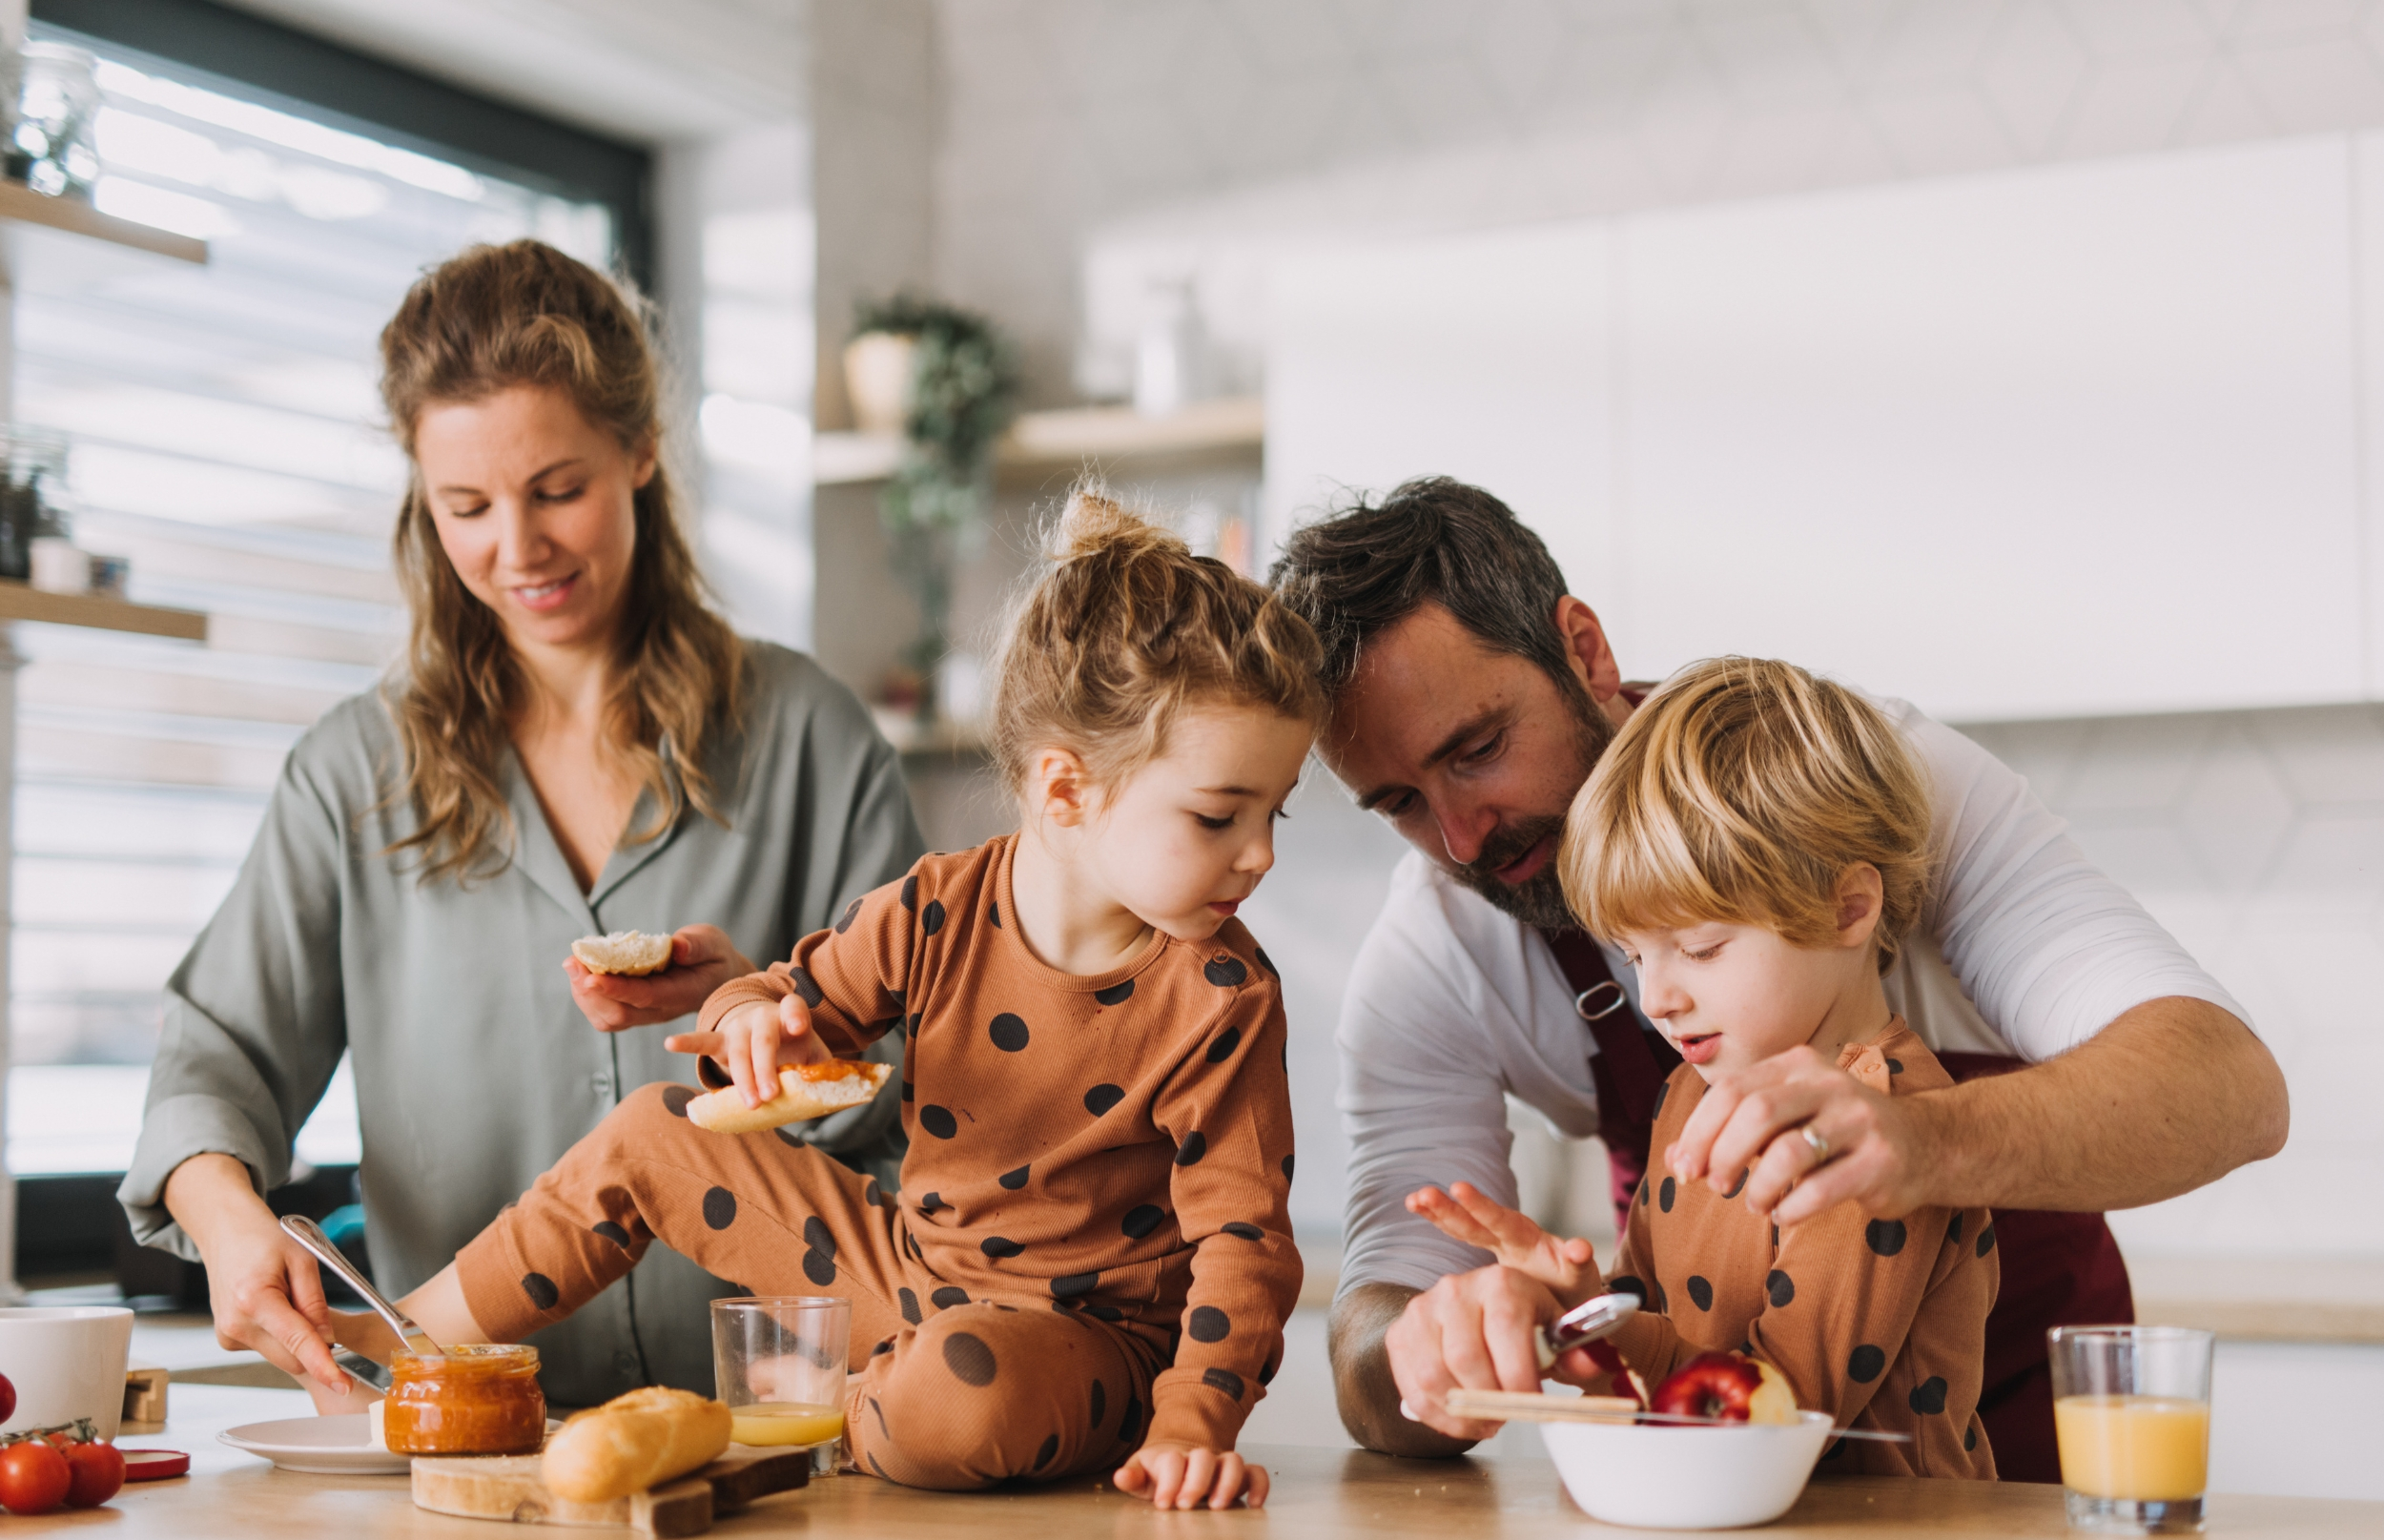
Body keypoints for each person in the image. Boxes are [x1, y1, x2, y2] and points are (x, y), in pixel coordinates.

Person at [1268, 478, 2288, 1478]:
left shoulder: (1865, 787)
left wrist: (1916, 1141)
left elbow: (2232, 1088)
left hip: (2027, 1452)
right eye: (1399, 801)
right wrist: (1446, 1347)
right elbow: (1376, 1320)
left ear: (1582, 651)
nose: (1457, 838)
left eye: (1480, 749)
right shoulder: (1433, 948)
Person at [335, 489, 1314, 1507]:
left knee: (961, 1389)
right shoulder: (934, 907)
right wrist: (747, 1023)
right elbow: (776, 997)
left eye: (1272, 812)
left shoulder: (1220, 993)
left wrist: (1192, 1425)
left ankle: (835, 1406)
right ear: (1065, 789)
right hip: (901, 1269)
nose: (1261, 855)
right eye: (1218, 816)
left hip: (1085, 1348)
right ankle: (400, 1341)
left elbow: (1244, 1243)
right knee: (644, 1133)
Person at [118, 240, 922, 1409]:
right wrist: (228, 1214)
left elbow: (934, 1088)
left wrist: (776, 1014)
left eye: (557, 489)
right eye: (466, 506)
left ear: (640, 450)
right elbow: (215, 1057)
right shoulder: (353, 772)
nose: (518, 547)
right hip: (463, 1440)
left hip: (788, 1435)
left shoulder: (813, 737)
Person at [1416, 657, 2000, 1477]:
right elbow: (1665, 1349)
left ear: (1848, 908)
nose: (1658, 997)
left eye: (1701, 948)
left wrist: (1620, 1328)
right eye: (1632, 955)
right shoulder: (1690, 1091)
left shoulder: (1880, 1130)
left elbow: (1775, 1412)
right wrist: (1581, 1305)